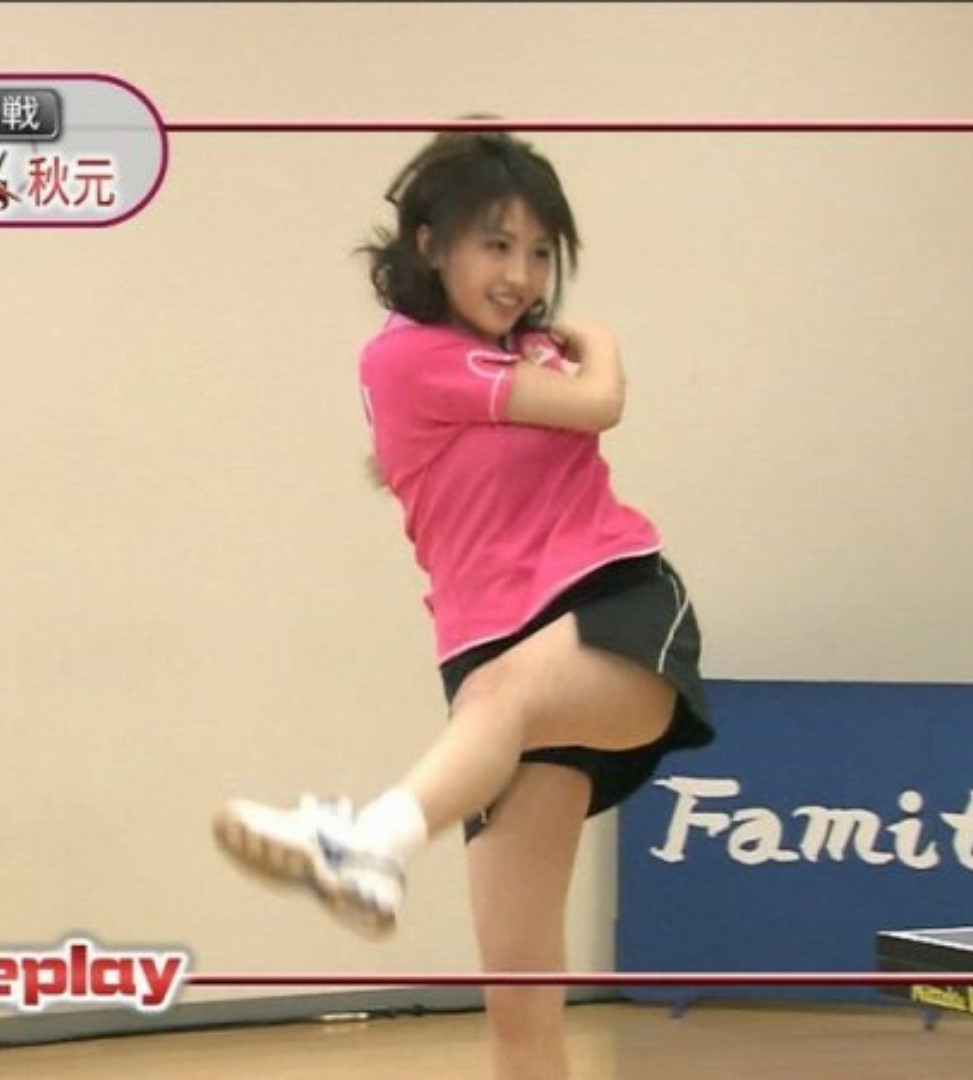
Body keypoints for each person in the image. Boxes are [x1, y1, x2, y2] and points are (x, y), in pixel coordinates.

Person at [214, 127, 715, 1080]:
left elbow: (593, 408)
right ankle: (368, 845)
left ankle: (369, 841)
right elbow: (593, 396)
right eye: (497, 245)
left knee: (501, 699)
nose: (521, 275)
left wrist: (594, 352)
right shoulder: (408, 357)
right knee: (518, 998)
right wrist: (602, 347)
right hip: (493, 652)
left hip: (610, 610)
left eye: (540, 253)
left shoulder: (514, 355)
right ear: (430, 242)